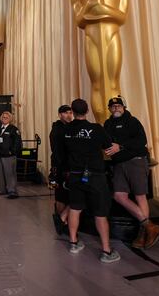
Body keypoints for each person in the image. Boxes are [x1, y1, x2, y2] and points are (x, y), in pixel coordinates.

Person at [70, 0, 132, 124]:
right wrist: (90, 5)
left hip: (111, 35)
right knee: (96, 84)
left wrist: (102, 8)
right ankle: (102, 128)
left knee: (113, 83)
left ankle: (117, 125)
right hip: (91, 38)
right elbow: (79, 21)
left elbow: (121, 16)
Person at [55, 99, 120, 263]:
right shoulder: (96, 129)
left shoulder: (66, 130)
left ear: (73, 111)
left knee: (75, 208)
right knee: (100, 213)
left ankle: (73, 243)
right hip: (95, 175)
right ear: (87, 111)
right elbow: (108, 148)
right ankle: (106, 251)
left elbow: (61, 153)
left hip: (75, 175)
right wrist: (119, 147)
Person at [104, 96, 159, 249]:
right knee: (119, 196)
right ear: (109, 109)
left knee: (140, 196)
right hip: (118, 164)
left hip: (135, 161)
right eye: (113, 106)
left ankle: (143, 233)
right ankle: (150, 226)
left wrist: (121, 147)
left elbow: (141, 141)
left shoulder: (132, 121)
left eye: (118, 105)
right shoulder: (108, 124)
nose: (116, 108)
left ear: (124, 107)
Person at [48, 104, 73, 235]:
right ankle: (61, 221)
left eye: (70, 113)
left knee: (69, 196)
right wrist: (56, 170)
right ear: (60, 114)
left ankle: (63, 220)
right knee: (60, 195)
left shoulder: (72, 127)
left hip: (70, 167)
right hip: (60, 167)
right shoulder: (57, 129)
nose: (69, 115)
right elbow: (57, 152)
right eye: (66, 113)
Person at [0, 111, 23, 199]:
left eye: (6, 117)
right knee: (1, 174)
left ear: (10, 119)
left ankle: (12, 191)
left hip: (9, 156)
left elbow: (17, 143)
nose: (4, 119)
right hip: (0, 155)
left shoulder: (13, 129)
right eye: (3, 117)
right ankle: (3, 190)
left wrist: (12, 152)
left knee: (10, 174)